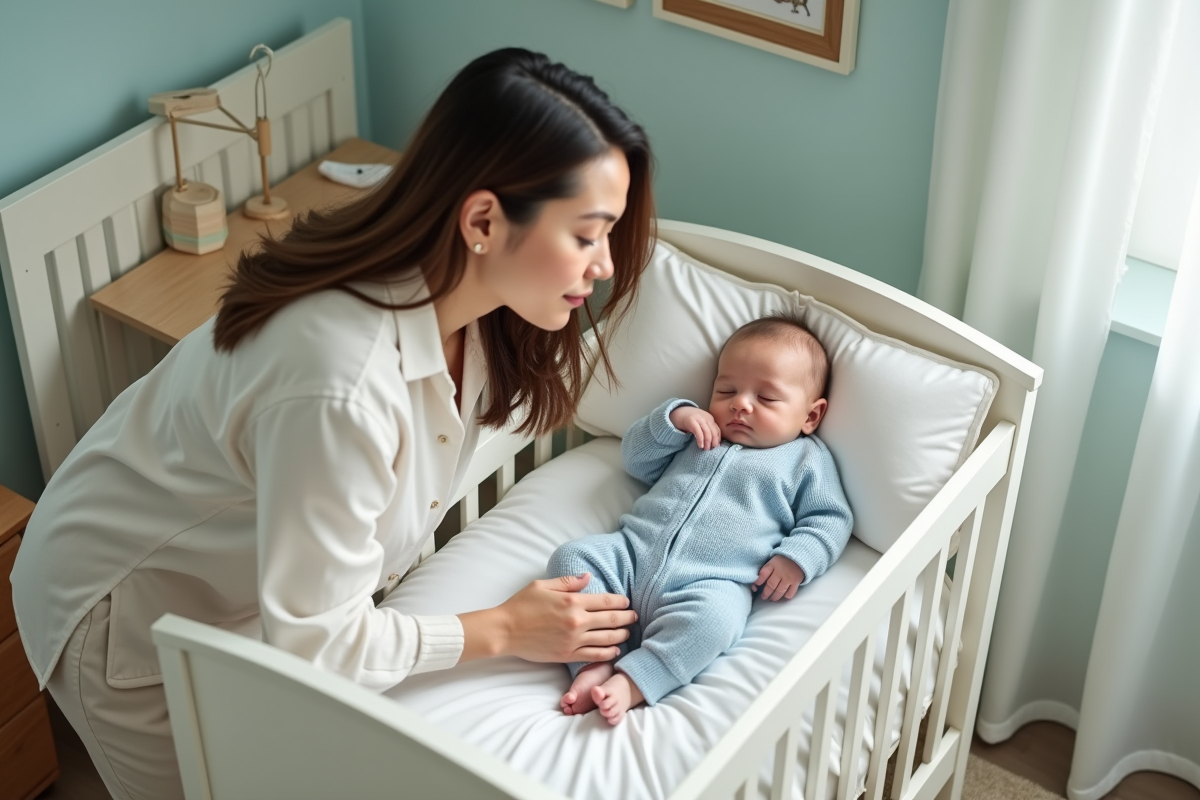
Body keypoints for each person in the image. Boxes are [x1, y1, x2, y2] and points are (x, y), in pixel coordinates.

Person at [11, 48, 654, 800]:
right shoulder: (338, 380)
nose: (605, 264)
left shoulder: (475, 314)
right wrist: (507, 629)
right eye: (586, 234)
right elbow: (321, 644)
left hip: (242, 586)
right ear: (482, 219)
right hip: (124, 610)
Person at [546, 315, 854, 724]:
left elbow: (831, 518)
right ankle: (593, 664)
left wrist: (798, 557)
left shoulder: (804, 460)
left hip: (710, 581)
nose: (740, 403)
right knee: (572, 560)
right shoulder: (698, 433)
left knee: (717, 622)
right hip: (631, 554)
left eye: (766, 398)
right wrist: (673, 420)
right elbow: (636, 461)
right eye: (726, 389)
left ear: (810, 417)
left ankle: (634, 681)